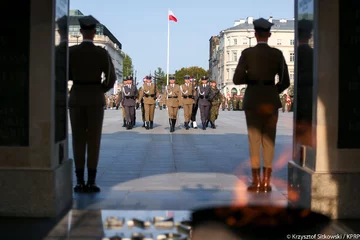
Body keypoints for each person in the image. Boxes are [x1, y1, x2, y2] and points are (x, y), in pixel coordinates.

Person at [233, 18, 290, 193]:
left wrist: (251, 80)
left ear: (255, 34)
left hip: (253, 101)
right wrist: (273, 90)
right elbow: (285, 81)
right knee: (269, 140)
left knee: (254, 140)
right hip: (270, 101)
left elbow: (237, 79)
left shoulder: (247, 53)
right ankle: (266, 181)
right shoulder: (277, 54)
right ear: (270, 35)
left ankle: (256, 180)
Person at [68, 15, 116, 193]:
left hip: (77, 96)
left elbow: (65, 73)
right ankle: (92, 180)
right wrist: (101, 88)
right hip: (95, 97)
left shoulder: (71, 52)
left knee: (78, 140)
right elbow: (111, 77)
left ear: (81, 32)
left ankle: (79, 181)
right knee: (94, 140)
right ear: (94, 33)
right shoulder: (101, 53)